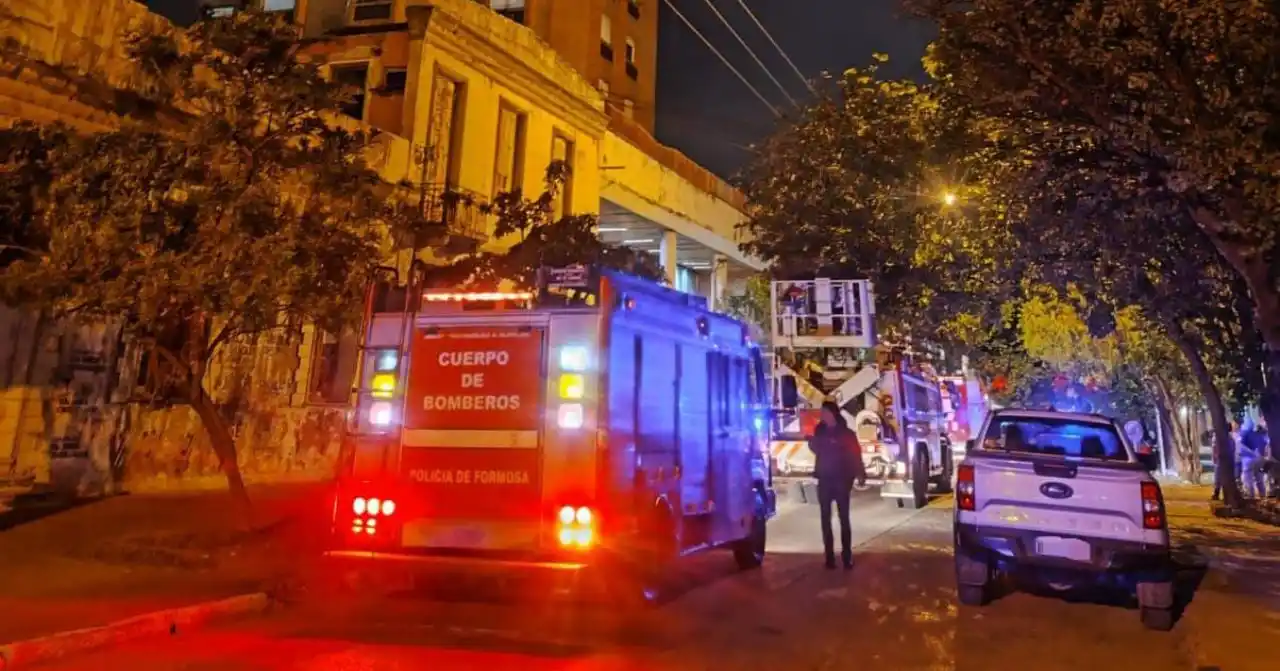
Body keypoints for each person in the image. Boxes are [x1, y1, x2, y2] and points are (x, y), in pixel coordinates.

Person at [808, 400, 868, 569]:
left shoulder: (846, 433)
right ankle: (829, 557)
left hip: (842, 479)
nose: (821, 415)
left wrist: (860, 473)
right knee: (825, 519)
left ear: (832, 413)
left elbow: (855, 454)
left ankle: (847, 556)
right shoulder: (820, 431)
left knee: (844, 519)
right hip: (825, 479)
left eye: (824, 412)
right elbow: (817, 450)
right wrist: (812, 443)